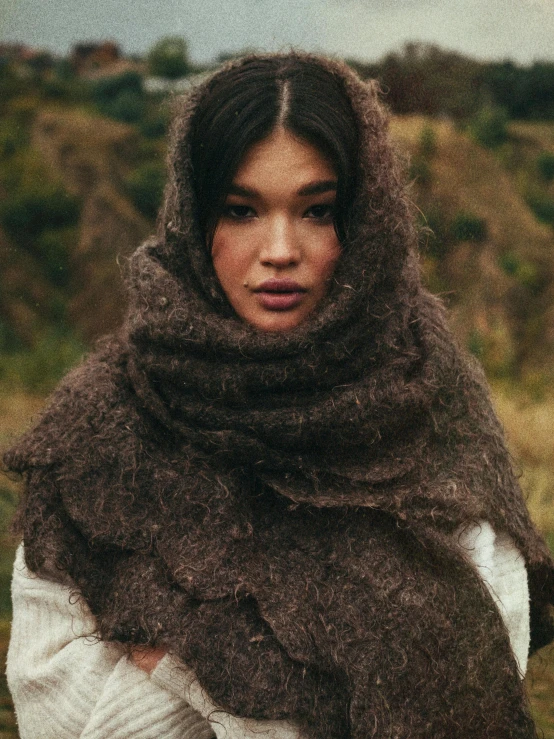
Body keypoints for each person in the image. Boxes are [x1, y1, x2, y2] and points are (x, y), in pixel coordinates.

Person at [4, 52, 554, 739]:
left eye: (316, 210)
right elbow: (54, 709)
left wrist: (181, 667)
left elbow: (486, 644)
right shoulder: (102, 423)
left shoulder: (426, 393)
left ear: (362, 220)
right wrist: (330, 687)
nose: (279, 249)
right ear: (192, 215)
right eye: (240, 209)